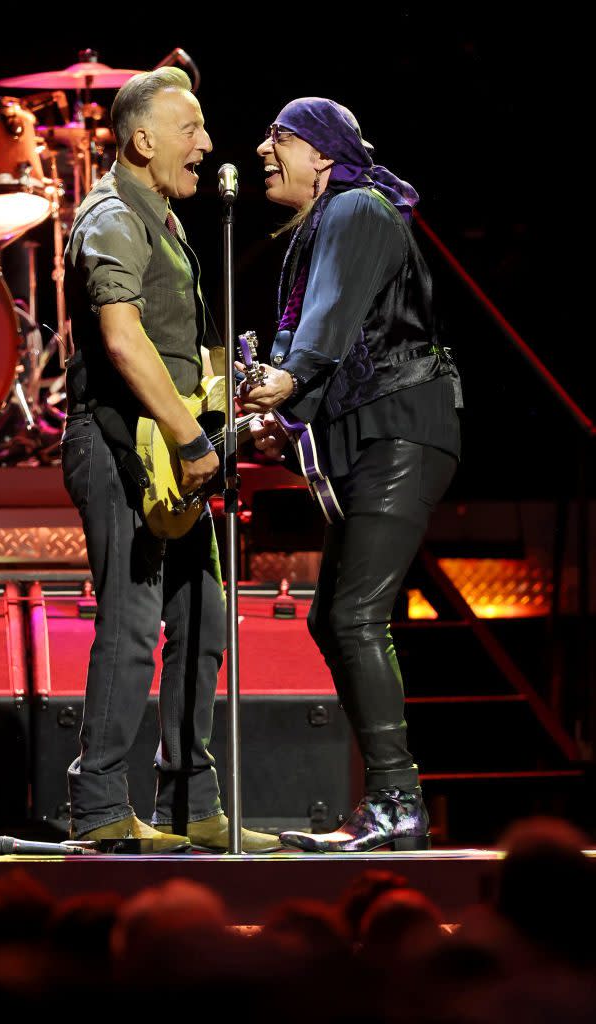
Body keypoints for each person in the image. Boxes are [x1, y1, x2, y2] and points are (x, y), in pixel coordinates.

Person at [62, 67, 277, 852]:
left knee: (202, 617)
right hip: (125, 445)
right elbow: (122, 340)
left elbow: (183, 342)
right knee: (131, 622)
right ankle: (100, 811)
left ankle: (192, 806)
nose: (208, 145)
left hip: (172, 450)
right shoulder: (112, 214)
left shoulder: (161, 215)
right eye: (191, 129)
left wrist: (226, 401)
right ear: (142, 139)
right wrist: (190, 440)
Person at [240, 97, 462, 853]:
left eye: (279, 137)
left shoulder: (355, 208)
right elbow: (323, 327)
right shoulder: (323, 223)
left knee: (354, 616)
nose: (263, 149)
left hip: (402, 429)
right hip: (376, 431)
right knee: (329, 616)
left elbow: (327, 322)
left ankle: (397, 804)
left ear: (321, 154)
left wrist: (288, 377)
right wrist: (283, 410)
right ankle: (391, 803)